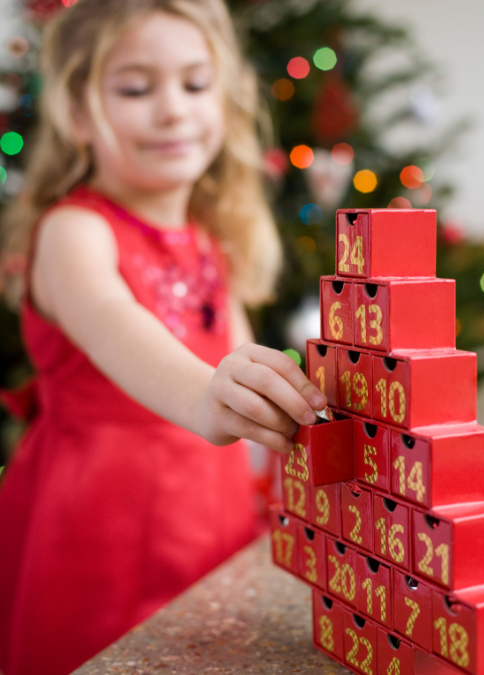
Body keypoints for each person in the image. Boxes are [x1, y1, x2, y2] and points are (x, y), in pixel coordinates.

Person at [0, 1, 327, 674]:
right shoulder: (74, 232)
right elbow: (113, 322)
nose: (173, 109)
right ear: (80, 113)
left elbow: (238, 369)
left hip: (211, 511)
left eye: (194, 83)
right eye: (135, 87)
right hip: (99, 526)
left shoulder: (210, 241)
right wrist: (207, 394)